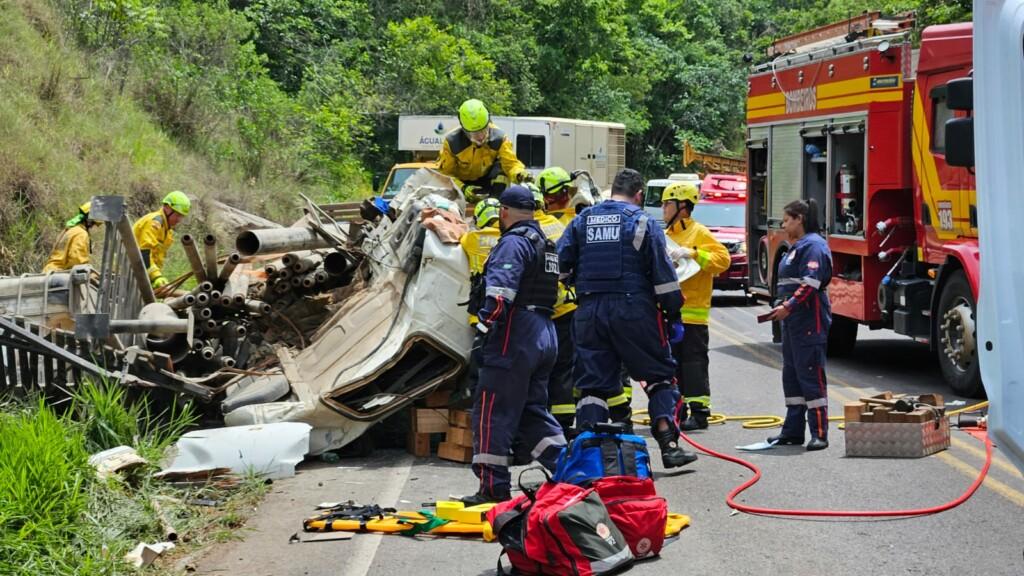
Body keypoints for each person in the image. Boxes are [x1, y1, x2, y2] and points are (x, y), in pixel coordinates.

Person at [557, 168, 697, 468]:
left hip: (590, 311)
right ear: (638, 195)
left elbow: (562, 264)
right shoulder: (643, 222)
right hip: (634, 311)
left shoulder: (581, 221)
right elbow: (664, 278)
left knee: (592, 384)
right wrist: (672, 314)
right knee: (659, 376)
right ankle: (669, 446)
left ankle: (586, 455)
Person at [464, 185, 567, 504]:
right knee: (529, 411)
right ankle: (569, 471)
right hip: (545, 333)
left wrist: (483, 329)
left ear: (504, 212)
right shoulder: (546, 244)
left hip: (515, 333)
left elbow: (500, 294)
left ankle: (492, 486)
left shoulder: (513, 243)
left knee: (492, 409)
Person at [661, 182, 730, 431]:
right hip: (670, 314)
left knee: (693, 365)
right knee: (673, 366)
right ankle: (677, 410)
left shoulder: (698, 233)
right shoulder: (666, 236)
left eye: (667, 203)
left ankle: (700, 413)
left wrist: (692, 253)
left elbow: (723, 260)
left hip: (693, 316)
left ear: (682, 206)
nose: (663, 208)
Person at [765, 198, 832, 451]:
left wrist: (788, 306)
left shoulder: (813, 246)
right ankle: (792, 431)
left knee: (810, 374)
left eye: (786, 220)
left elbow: (810, 284)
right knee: (791, 375)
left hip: (808, 319)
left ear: (799, 219)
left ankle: (820, 433)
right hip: (792, 321)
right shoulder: (797, 246)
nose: (783, 225)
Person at [529, 180, 577, 434]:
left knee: (538, 368)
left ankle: (541, 421)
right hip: (565, 308)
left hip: (537, 312)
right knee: (563, 368)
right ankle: (564, 423)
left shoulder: (525, 230)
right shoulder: (557, 226)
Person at [436, 99, 528, 201]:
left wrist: (520, 174)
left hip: (487, 180)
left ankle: (495, 203)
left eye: (483, 130)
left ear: (488, 123)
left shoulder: (499, 138)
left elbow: (511, 164)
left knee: (501, 168)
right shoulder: (452, 142)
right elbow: (445, 175)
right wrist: (463, 188)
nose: (480, 136)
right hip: (461, 184)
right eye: (474, 133)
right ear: (465, 130)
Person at [459, 198, 502, 399]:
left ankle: (477, 397)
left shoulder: (472, 238)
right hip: (505, 311)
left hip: (481, 312)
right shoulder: (509, 237)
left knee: (480, 357)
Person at [133, 191, 191, 290]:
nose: (179, 219)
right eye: (177, 215)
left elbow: (156, 258)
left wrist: (156, 279)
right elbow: (144, 253)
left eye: (182, 216)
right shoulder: (153, 223)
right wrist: (156, 277)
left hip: (141, 275)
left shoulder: (167, 232)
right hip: (128, 272)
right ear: (167, 208)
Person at [43, 202, 99, 273]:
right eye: (93, 223)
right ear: (89, 220)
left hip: (49, 271)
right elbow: (77, 260)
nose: (92, 226)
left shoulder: (70, 229)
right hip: (59, 274)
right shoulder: (81, 233)